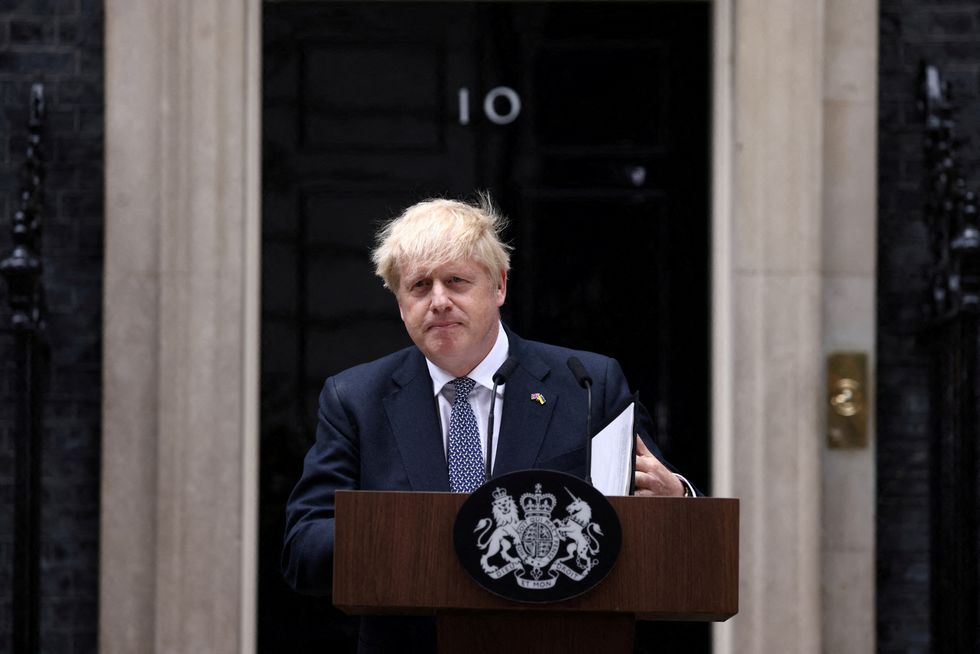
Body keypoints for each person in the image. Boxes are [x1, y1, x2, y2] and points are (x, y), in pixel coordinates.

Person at [282, 196, 695, 653]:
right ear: (400, 303)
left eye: (456, 281)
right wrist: (409, 535)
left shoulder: (587, 384)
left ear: (499, 286)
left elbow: (662, 529)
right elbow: (304, 549)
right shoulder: (355, 400)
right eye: (419, 286)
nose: (439, 301)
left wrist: (677, 499)